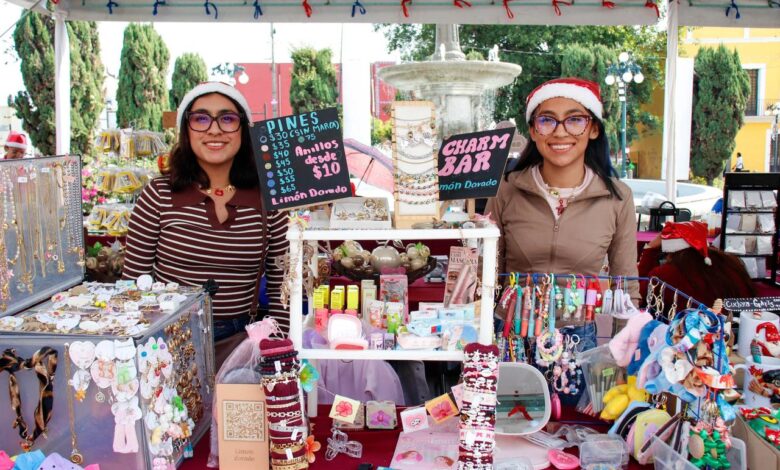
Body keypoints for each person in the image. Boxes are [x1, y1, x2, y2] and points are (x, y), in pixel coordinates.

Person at [122, 82, 289, 355]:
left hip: (241, 346)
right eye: (201, 119)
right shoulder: (159, 194)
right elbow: (133, 284)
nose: (214, 129)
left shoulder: (268, 199)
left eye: (227, 118)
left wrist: (279, 348)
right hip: (167, 345)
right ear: (186, 130)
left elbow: (283, 287)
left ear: (243, 129)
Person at [485, 77, 640, 305]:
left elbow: (626, 287)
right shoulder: (506, 189)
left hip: (581, 326)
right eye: (546, 120)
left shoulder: (618, 197)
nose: (559, 132)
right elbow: (485, 275)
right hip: (511, 324)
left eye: (575, 120)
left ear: (593, 129)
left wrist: (627, 328)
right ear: (533, 131)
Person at [638, 221, 754, 310]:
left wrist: (650, 249)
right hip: (738, 327)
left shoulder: (665, 274)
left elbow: (639, 294)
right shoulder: (728, 262)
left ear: (670, 251)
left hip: (689, 331)